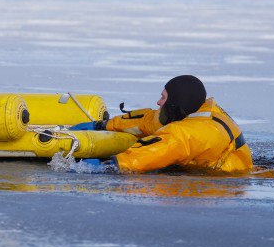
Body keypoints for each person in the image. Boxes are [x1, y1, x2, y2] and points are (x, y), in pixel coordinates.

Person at [73, 75, 252, 175]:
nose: (158, 103)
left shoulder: (186, 134)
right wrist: (103, 125)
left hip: (225, 177)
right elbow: (150, 120)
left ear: (175, 104)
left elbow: (148, 154)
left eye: (163, 98)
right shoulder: (197, 111)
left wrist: (96, 166)